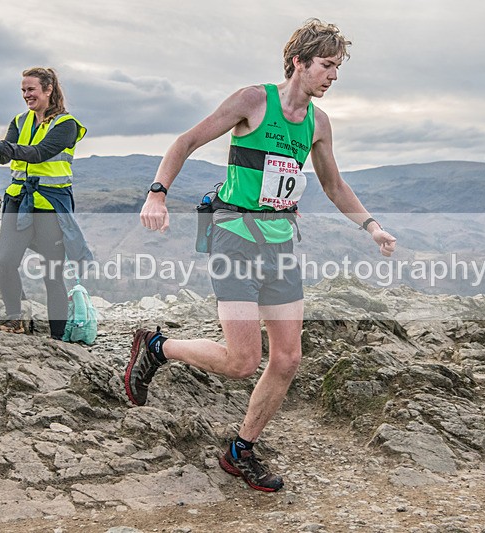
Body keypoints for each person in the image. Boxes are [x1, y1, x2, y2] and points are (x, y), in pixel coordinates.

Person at [126, 19, 397, 492]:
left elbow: (333, 185)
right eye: (327, 66)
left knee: (288, 359)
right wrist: (157, 193)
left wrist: (371, 227)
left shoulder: (318, 122)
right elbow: (185, 142)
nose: (333, 76)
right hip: (234, 237)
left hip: (280, 242)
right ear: (299, 62)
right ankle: (156, 348)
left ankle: (240, 450)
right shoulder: (254, 100)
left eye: (337, 68)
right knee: (242, 360)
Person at [0, 67, 91, 340]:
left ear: (48, 90)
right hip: (18, 202)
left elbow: (38, 153)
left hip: (50, 206)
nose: (26, 95)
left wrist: (0, 146)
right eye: (23, 90)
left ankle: (58, 338)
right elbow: (7, 155)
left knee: (52, 273)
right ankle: (15, 321)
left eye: (31, 90)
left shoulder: (66, 125)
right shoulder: (20, 120)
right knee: (5, 262)